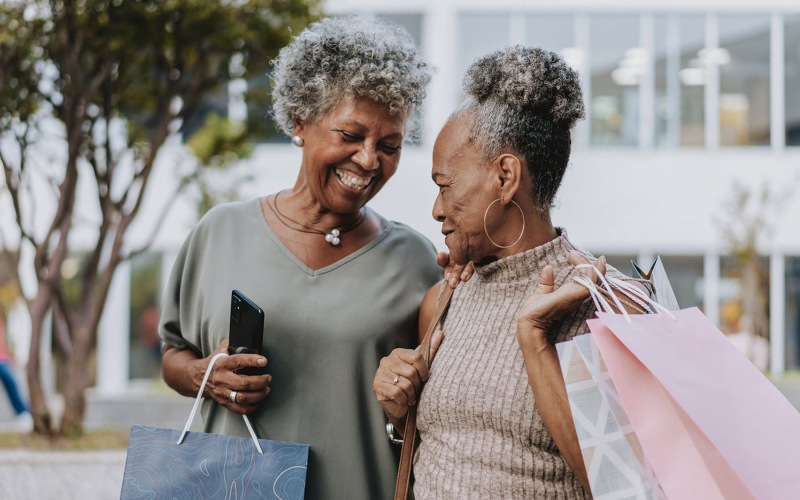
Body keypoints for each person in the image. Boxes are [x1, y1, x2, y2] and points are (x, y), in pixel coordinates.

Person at [159, 15, 465, 499]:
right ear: (300, 120)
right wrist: (203, 375)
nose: (369, 160)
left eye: (388, 145)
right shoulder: (219, 232)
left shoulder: (416, 260)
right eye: (350, 135)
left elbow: (435, 411)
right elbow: (173, 353)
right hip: (234, 489)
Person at [373, 46, 642, 498]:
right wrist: (400, 411)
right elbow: (447, 452)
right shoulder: (444, 300)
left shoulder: (606, 306)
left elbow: (620, 484)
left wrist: (534, 339)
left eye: (444, 185)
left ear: (505, 177)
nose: (436, 209)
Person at [0, 308, 32, 431]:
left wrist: (9, 355)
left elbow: (3, 340)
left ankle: (23, 412)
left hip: (2, 359)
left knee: (10, 380)